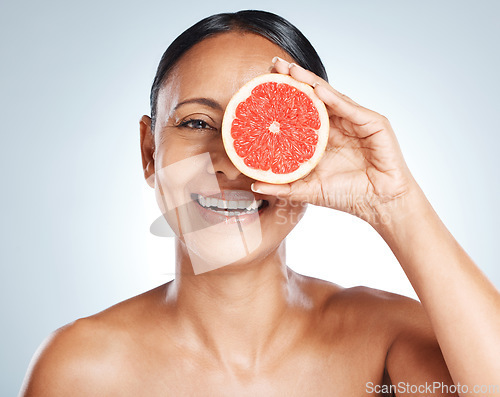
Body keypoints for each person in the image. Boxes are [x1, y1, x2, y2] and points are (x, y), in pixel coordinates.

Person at [19, 10, 500, 396]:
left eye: (262, 130)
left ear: (313, 149)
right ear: (149, 152)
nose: (229, 164)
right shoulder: (81, 370)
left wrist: (394, 202)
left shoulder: (388, 343)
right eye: (196, 123)